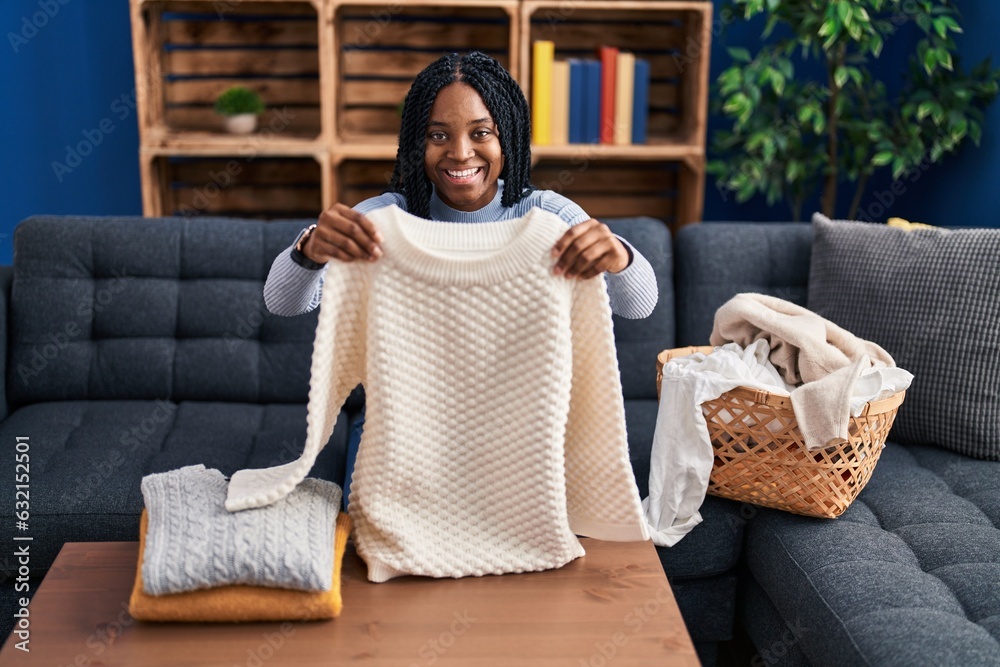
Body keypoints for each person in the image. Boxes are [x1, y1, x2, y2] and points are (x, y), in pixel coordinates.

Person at [262, 51, 658, 504]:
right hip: (403, 438)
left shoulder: (550, 216)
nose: (460, 153)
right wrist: (310, 248)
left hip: (522, 435)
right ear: (417, 143)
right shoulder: (382, 221)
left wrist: (619, 255)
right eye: (438, 135)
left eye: (481, 133)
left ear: (506, 136)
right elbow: (282, 301)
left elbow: (639, 305)